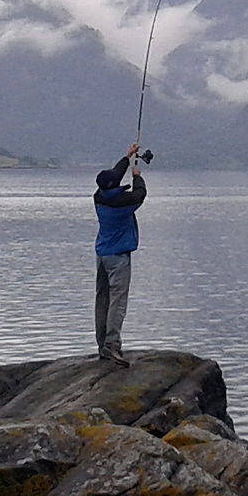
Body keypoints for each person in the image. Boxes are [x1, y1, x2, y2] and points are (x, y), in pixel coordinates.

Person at [92, 141, 146, 367]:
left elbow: (114, 174)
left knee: (102, 298)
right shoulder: (122, 202)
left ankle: (101, 343)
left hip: (102, 254)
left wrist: (127, 156)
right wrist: (137, 176)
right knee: (118, 301)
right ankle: (112, 345)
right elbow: (140, 195)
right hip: (119, 257)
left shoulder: (99, 195)